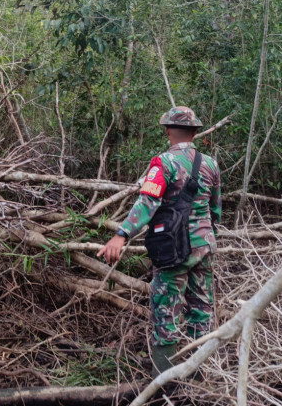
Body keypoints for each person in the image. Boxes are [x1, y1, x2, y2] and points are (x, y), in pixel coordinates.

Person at [97, 106, 222, 375]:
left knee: (166, 311)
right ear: (195, 132)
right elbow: (216, 211)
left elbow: (148, 201)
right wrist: (206, 236)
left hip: (173, 249)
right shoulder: (211, 164)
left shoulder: (162, 163)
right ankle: (199, 375)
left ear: (167, 131)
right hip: (205, 246)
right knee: (202, 310)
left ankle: (164, 381)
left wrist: (122, 234)